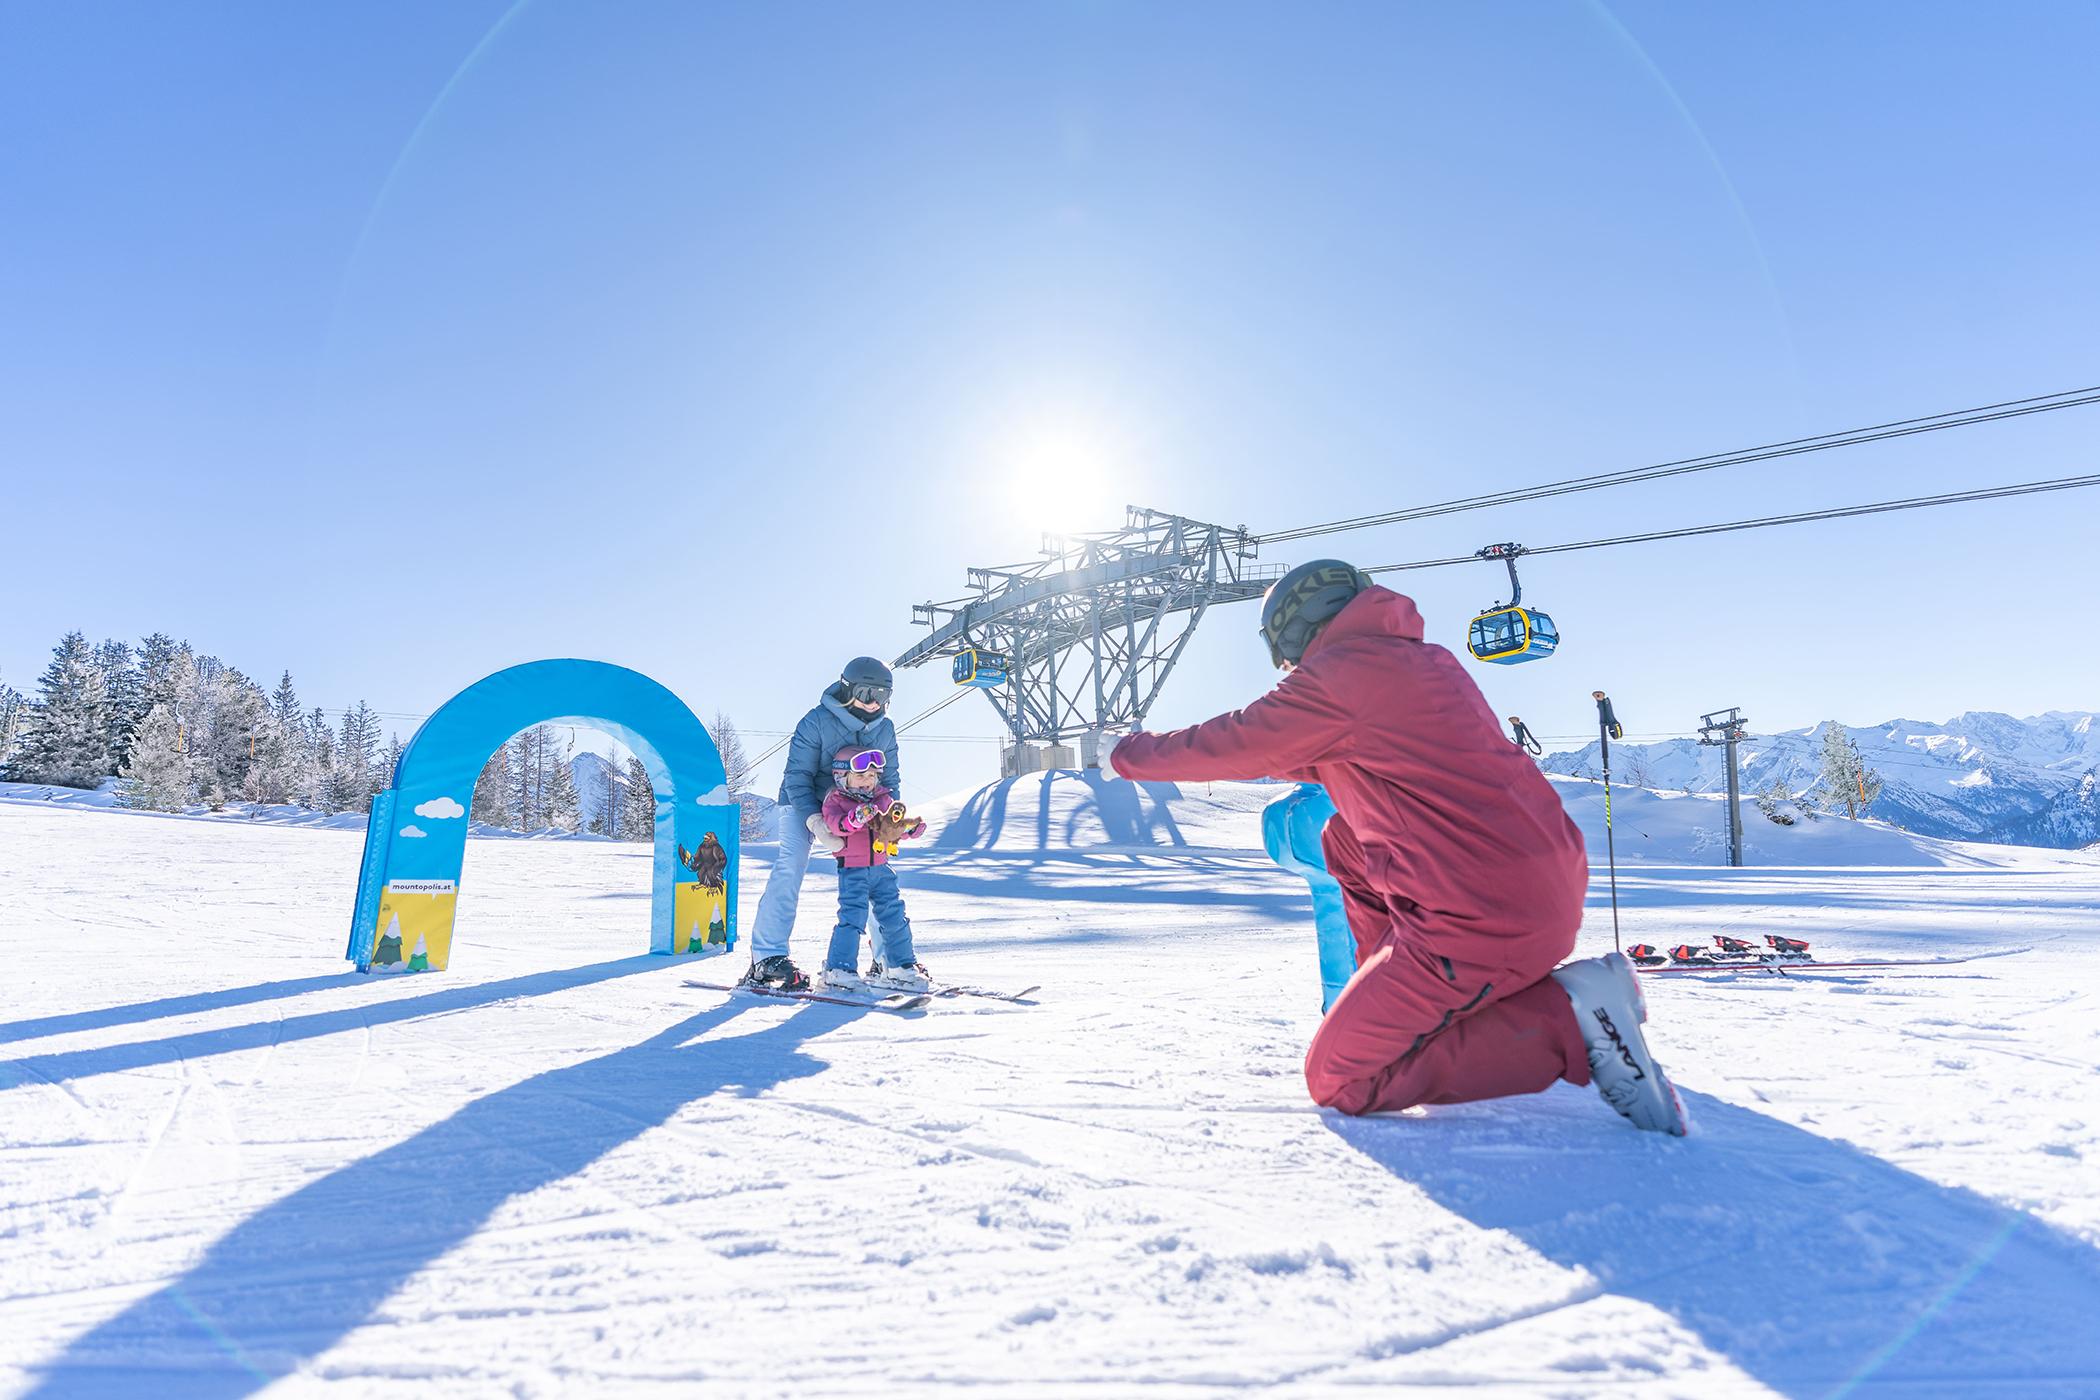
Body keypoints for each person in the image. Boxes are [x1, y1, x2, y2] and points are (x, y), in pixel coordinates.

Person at [1109, 560, 1688, 1135]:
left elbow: (1233, 741)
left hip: (1482, 914)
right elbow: (1299, 750)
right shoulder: (1419, 662)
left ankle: (1572, 1021)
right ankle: (1401, 995)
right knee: (1344, 841)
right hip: (1531, 879)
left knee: (1341, 1080)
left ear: (1291, 630)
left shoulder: (1339, 677)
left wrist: (1125, 754)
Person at [743, 657, 903, 992]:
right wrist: (816, 821)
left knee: (872, 870)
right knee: (792, 863)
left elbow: (889, 778)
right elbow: (796, 778)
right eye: (866, 691)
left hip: (860, 807)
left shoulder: (884, 728)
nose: (874, 702)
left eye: (882, 694)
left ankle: (887, 958)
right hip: (804, 803)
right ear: (847, 689)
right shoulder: (816, 721)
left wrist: (889, 818)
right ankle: (767, 957)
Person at [815, 747, 930, 992]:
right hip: (853, 870)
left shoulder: (883, 800)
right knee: (853, 918)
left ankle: (900, 966)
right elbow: (836, 826)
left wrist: (907, 831)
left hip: (882, 868)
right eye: (861, 776)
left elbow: (891, 827)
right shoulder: (836, 801)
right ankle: (839, 969)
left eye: (872, 776)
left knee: (894, 916)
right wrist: (854, 819)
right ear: (841, 777)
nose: (868, 781)